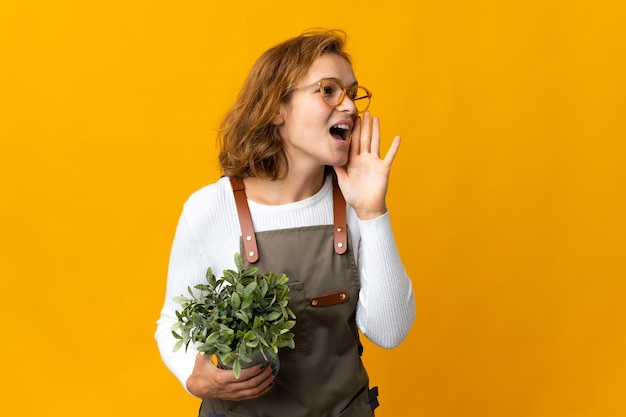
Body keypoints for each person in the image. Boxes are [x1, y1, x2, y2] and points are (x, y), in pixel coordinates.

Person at [155, 29, 415, 417]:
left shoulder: (357, 204)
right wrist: (193, 376)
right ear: (277, 108)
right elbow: (170, 320)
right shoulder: (210, 209)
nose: (349, 107)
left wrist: (373, 212)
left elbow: (390, 332)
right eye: (328, 90)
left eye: (352, 93)